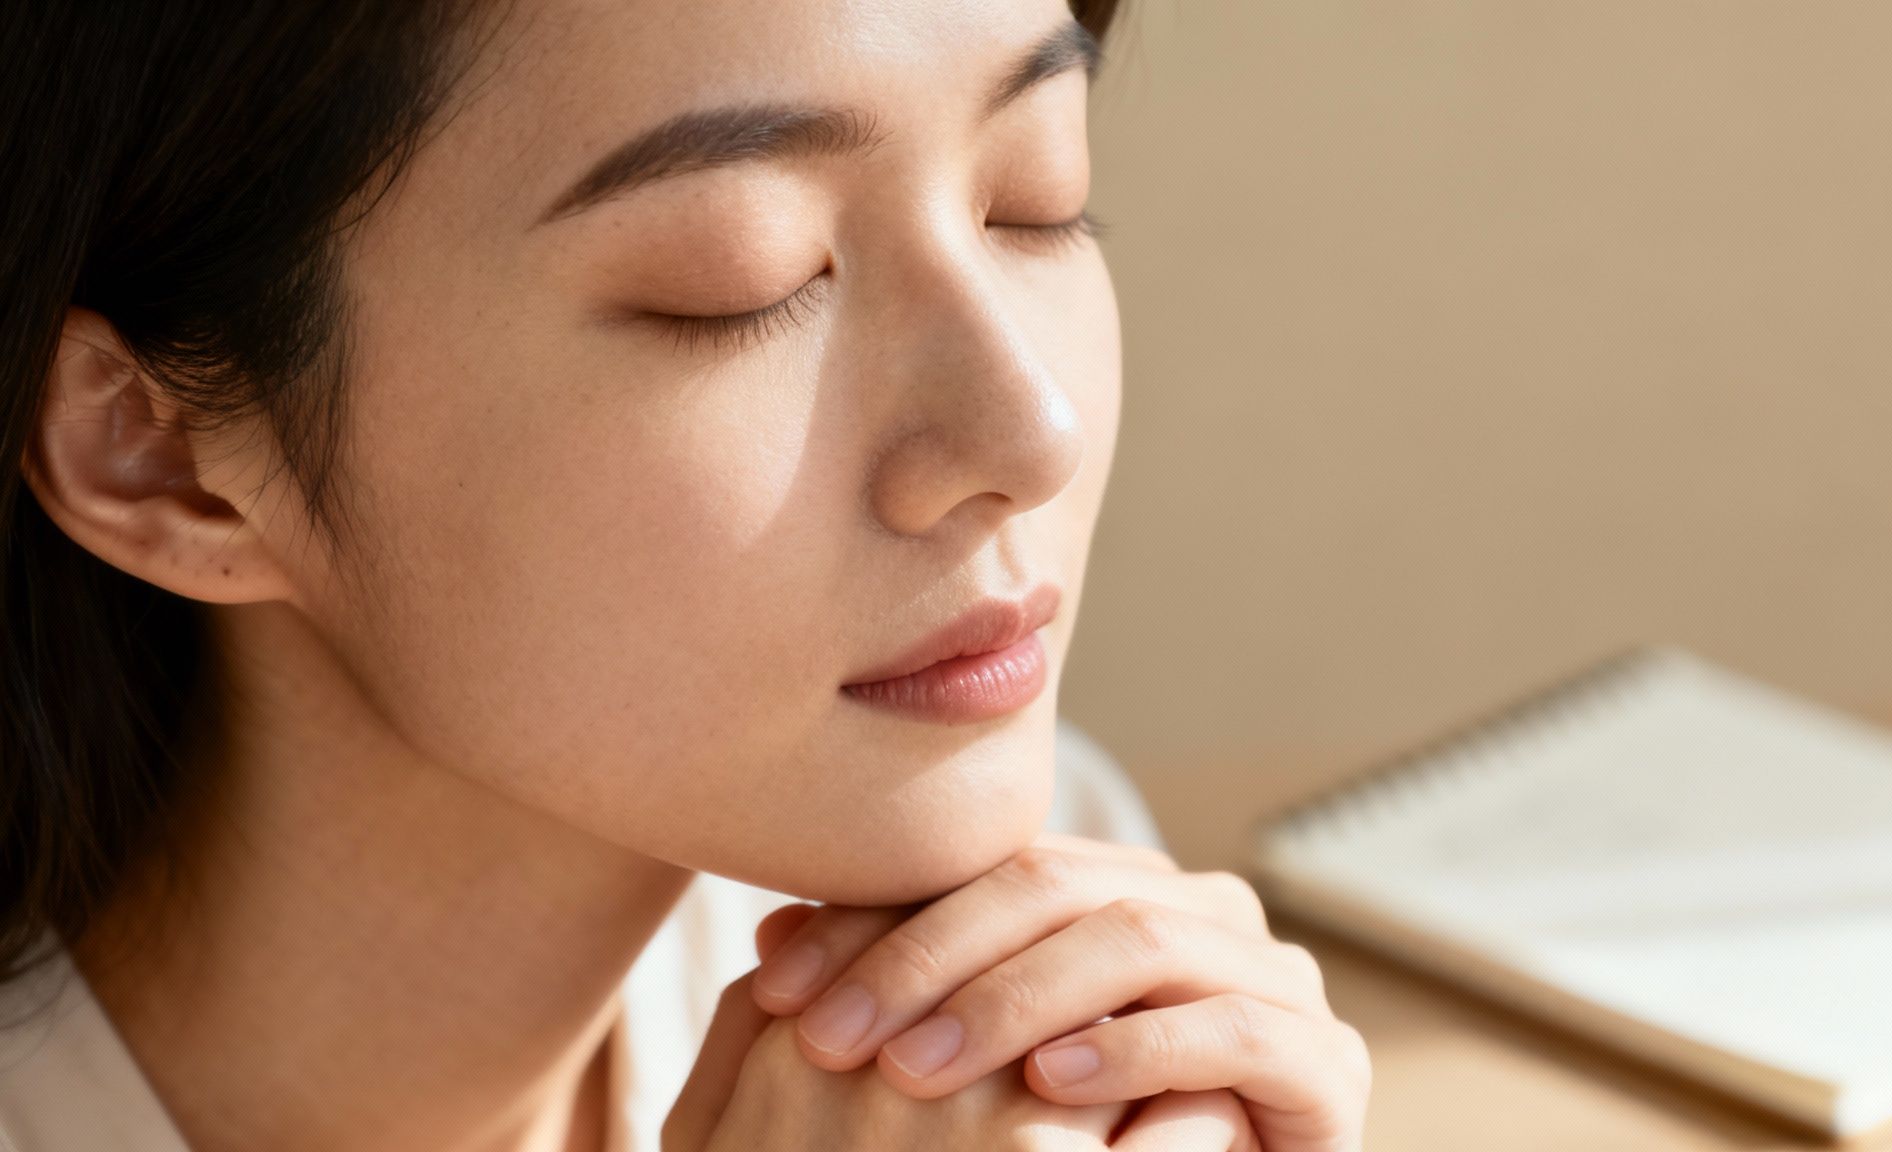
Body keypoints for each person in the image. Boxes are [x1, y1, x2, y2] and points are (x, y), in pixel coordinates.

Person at [0, 2, 1371, 1149]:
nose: (1029, 433)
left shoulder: (1019, 960)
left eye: (1034, 199)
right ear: (161, 454)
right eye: (745, 282)